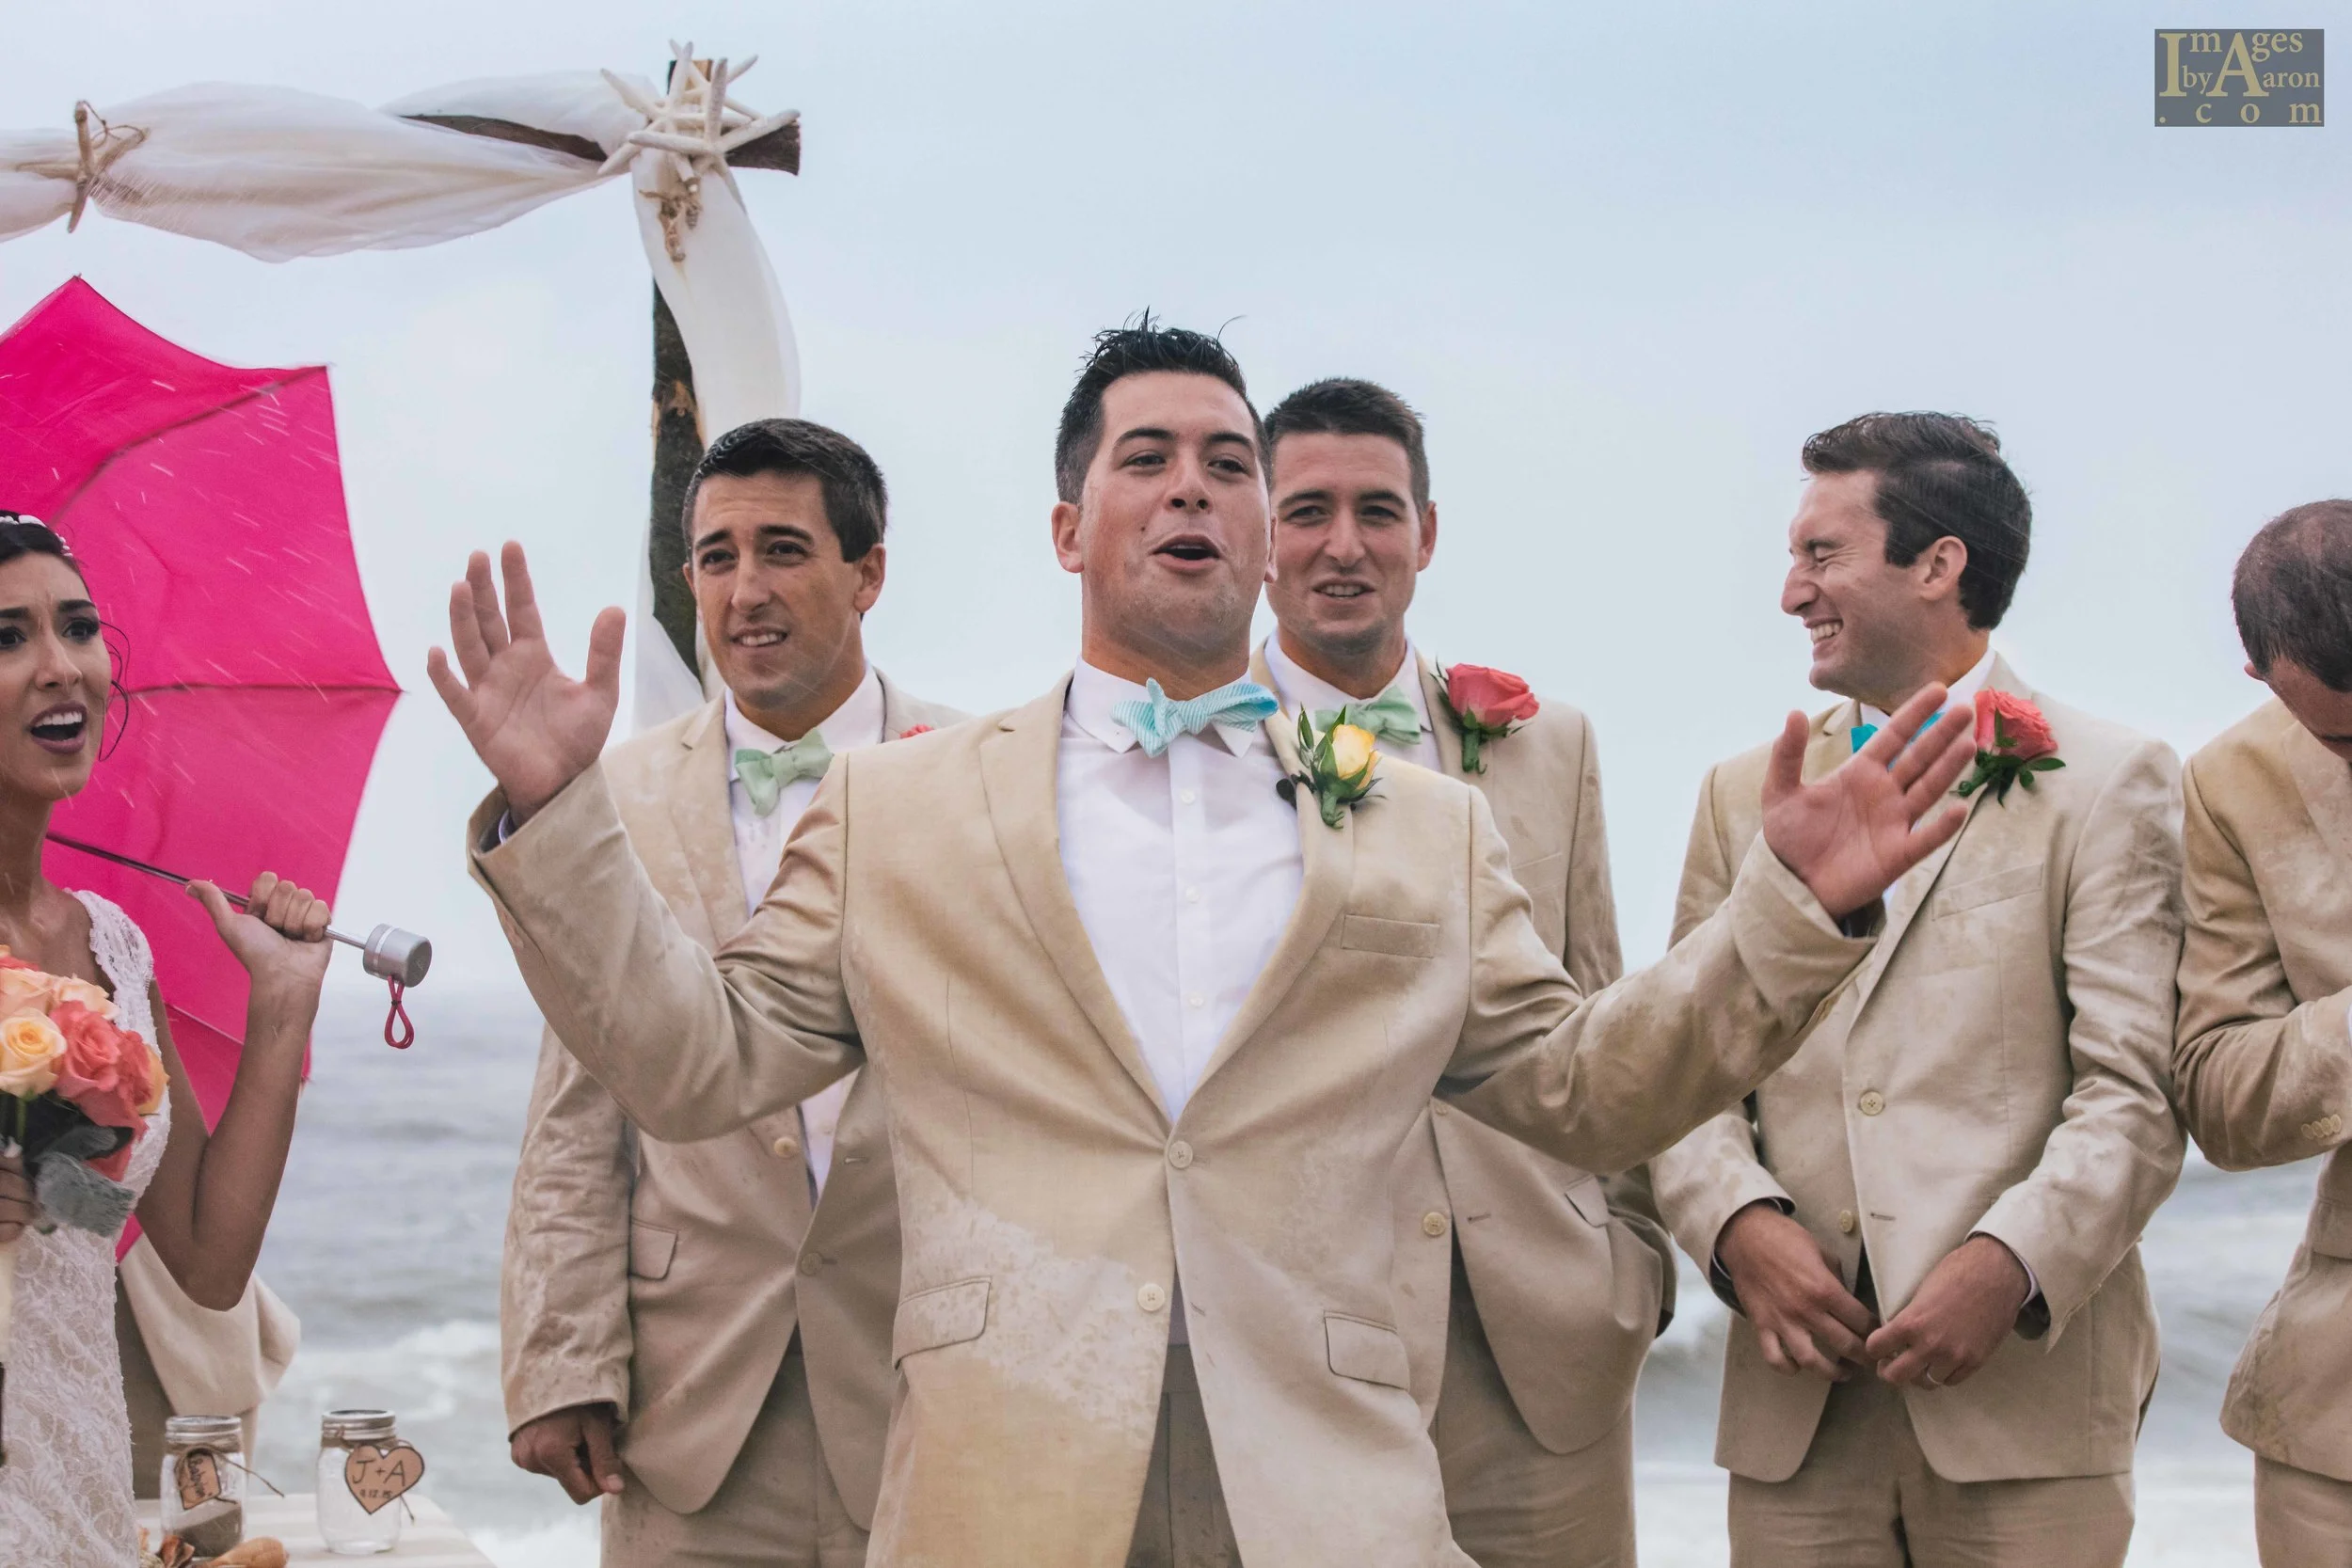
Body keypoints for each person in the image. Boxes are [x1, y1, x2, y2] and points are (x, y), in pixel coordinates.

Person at [432, 323, 1976, 1567]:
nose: (1193, 488)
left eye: (1229, 463)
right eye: (1148, 458)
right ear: (1067, 526)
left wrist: (1787, 914)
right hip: (1004, 1488)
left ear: (1260, 527)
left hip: (1328, 1492)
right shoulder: (897, 808)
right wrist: (561, 818)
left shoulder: (1423, 823)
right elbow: (695, 1064)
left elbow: (1585, 1088)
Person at [1650, 413, 2186, 1567]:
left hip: (2024, 1399)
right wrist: (1737, 1224)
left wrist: (2008, 1263)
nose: (1791, 591)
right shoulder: (1740, 795)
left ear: (1939, 563)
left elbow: (2135, 1091)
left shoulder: (2109, 782)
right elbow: (1681, 1063)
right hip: (1795, 1400)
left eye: (1821, 553)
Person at [501, 420, 963, 1567]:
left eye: (782, 549)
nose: (745, 589)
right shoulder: (608, 793)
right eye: (717, 556)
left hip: (934, 1387)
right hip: (690, 1407)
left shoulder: (977, 774)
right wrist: (562, 1362)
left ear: (867, 571)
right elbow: (576, 1105)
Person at [1250, 377, 1669, 1568]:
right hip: (1300, 1340)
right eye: (1307, 511)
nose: (1344, 545)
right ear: (1259, 536)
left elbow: (1600, 1006)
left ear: (1425, 533)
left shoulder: (1551, 744)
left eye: (1377, 510)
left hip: (1544, 1344)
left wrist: (1630, 1260)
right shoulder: (1200, 748)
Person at [0, 515, 335, 1561]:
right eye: (6, 637)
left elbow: (209, 1256)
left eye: (78, 627)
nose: (61, 666)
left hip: (79, 1468)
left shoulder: (114, 944)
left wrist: (282, 1004)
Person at [2169, 499, 2352, 1568]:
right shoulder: (2229, 785)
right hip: (2335, 1424)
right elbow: (2219, 1094)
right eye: (2343, 737)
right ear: (2261, 678)